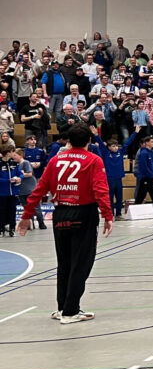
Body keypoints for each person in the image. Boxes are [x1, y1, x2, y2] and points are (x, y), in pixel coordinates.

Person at [18, 123, 112, 323]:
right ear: (89, 141)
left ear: (68, 140)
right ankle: (70, 311)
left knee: (64, 263)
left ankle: (62, 307)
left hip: (60, 213)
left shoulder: (55, 160)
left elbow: (39, 189)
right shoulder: (93, 160)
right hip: (83, 213)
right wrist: (108, 215)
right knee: (82, 263)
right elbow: (100, 189)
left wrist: (26, 215)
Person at [133, 133, 153, 207]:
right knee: (140, 196)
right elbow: (144, 167)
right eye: (152, 142)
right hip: (145, 178)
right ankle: (136, 210)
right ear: (147, 143)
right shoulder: (143, 153)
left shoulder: (152, 152)